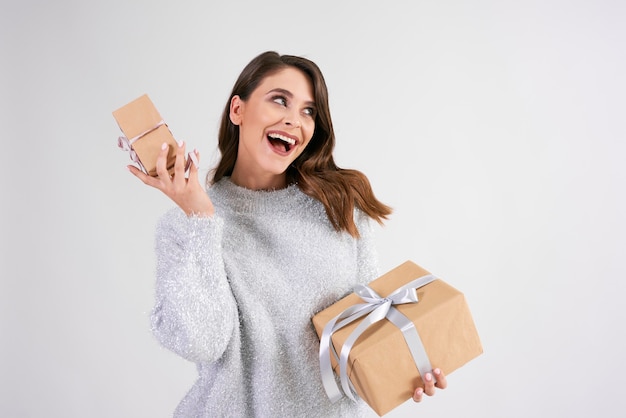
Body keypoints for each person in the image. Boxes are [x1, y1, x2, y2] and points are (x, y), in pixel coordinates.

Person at [128, 51, 447, 417]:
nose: (294, 120)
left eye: (309, 111)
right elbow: (202, 342)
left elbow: (363, 337)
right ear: (238, 110)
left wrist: (405, 368)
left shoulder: (341, 208)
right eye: (280, 100)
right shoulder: (185, 225)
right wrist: (201, 218)